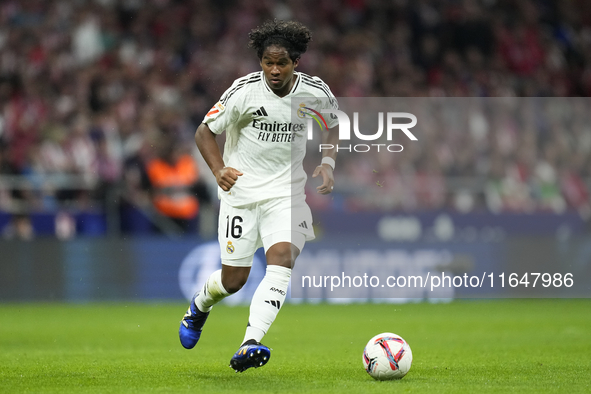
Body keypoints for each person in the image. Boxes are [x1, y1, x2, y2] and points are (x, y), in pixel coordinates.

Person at [178, 19, 339, 372]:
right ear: (260, 61)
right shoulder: (243, 91)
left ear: (296, 61)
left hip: (287, 195)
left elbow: (332, 123)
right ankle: (198, 307)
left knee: (282, 258)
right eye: (268, 62)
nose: (274, 70)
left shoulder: (314, 92)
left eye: (282, 63)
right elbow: (204, 131)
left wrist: (327, 161)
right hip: (241, 195)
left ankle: (250, 341)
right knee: (233, 280)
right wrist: (219, 169)